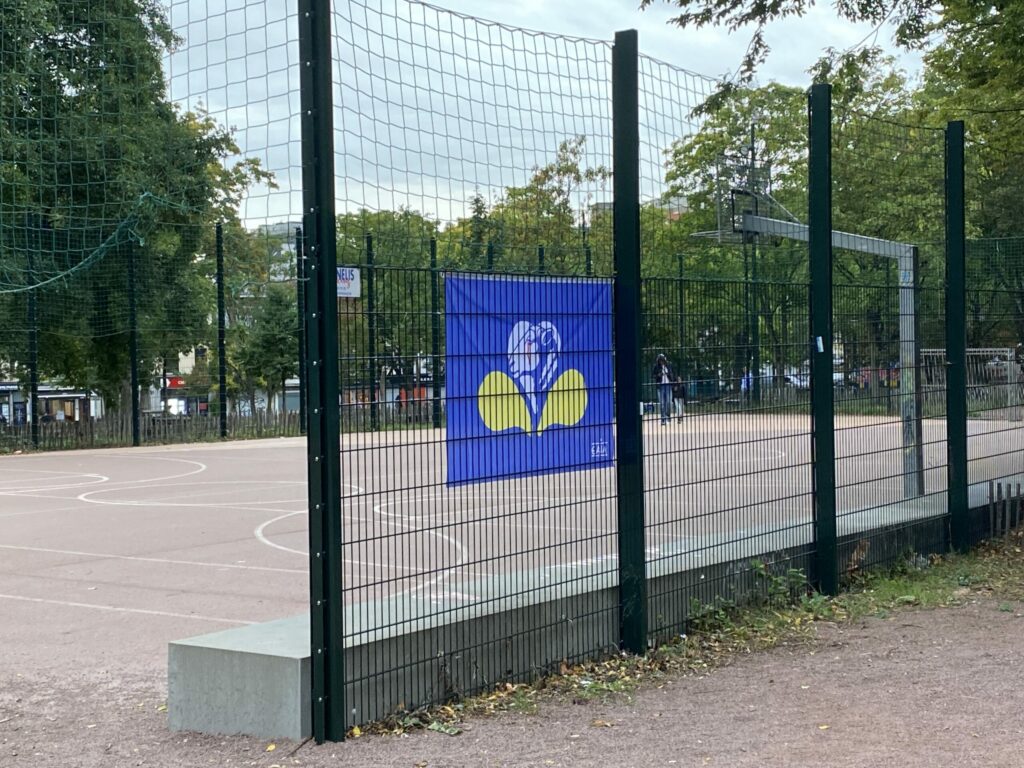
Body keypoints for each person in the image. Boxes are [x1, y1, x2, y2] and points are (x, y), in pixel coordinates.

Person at [651, 354, 674, 426]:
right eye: (660, 360)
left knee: (668, 402)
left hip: (668, 385)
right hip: (660, 386)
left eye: (662, 360)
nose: (661, 361)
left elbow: (672, 374)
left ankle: (668, 416)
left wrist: (668, 374)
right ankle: (663, 419)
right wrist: (658, 375)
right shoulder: (656, 367)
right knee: (662, 403)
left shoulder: (668, 366)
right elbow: (652, 376)